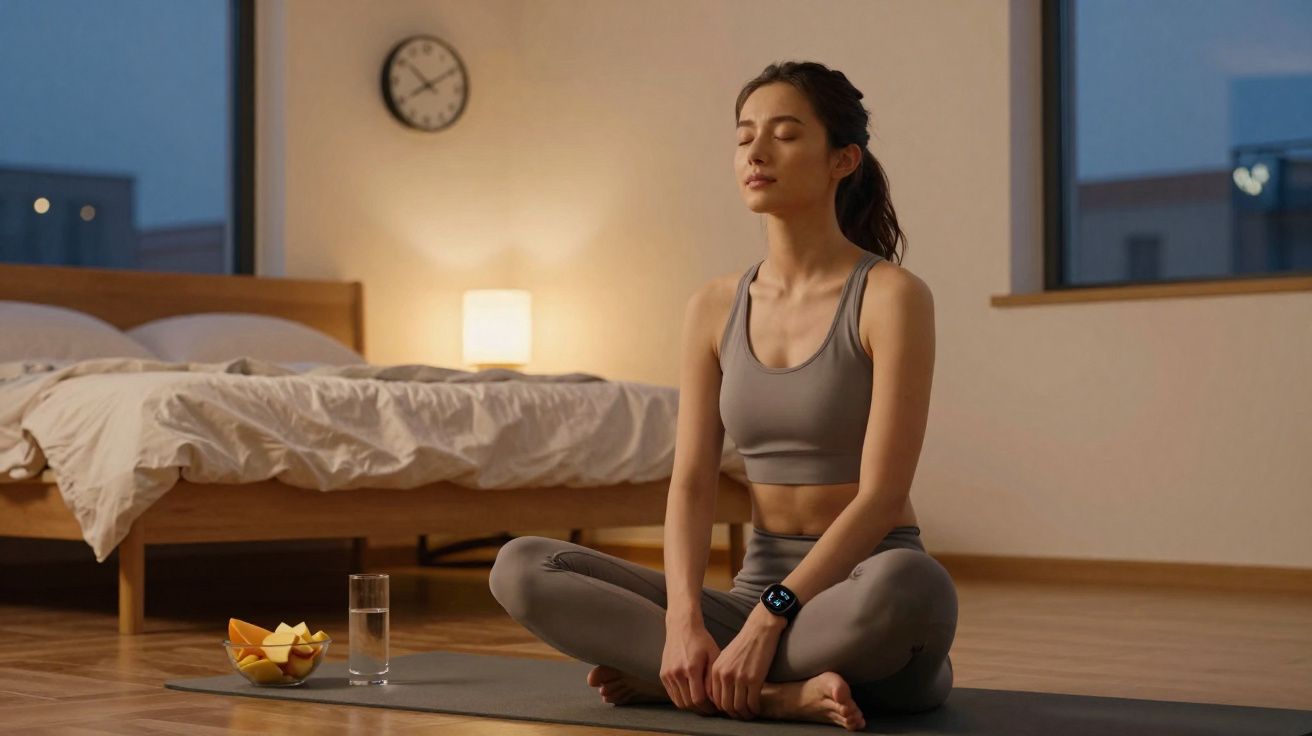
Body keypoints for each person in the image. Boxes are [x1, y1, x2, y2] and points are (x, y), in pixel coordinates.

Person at [489, 60, 957, 731]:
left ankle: (699, 683)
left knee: (913, 585)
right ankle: (773, 696)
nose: (756, 153)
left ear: (843, 160)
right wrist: (683, 622)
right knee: (522, 566)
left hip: (857, 592)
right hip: (747, 598)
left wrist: (770, 618)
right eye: (743, 137)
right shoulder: (712, 306)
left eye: (785, 135)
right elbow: (691, 484)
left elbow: (883, 497)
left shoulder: (891, 296)